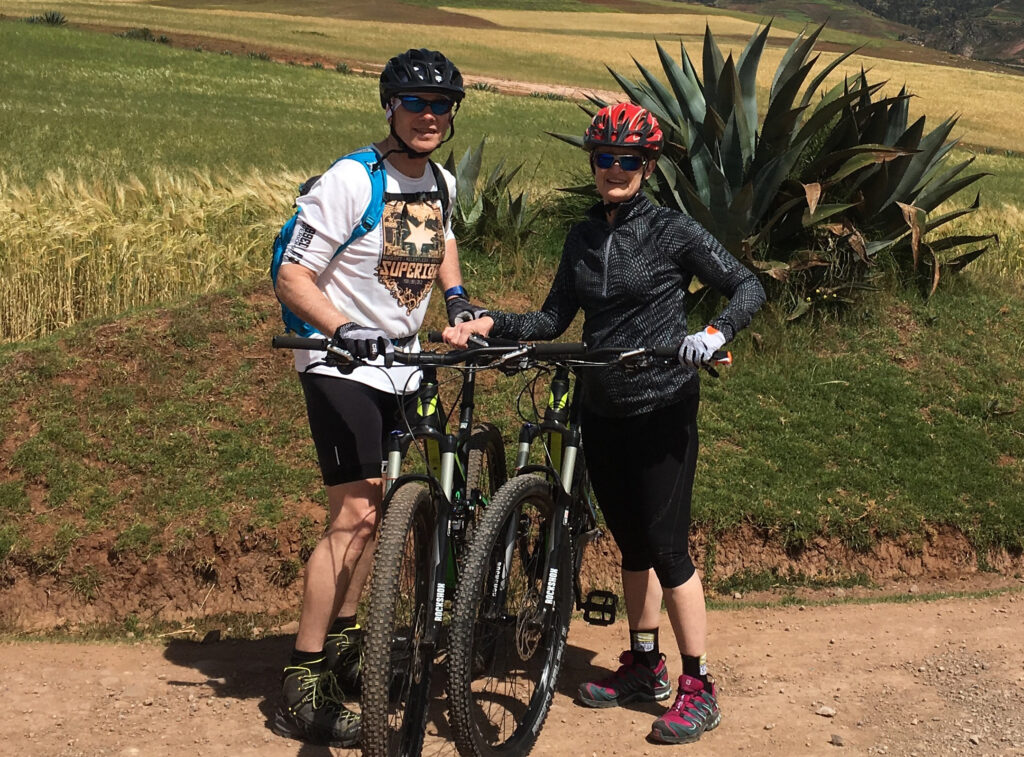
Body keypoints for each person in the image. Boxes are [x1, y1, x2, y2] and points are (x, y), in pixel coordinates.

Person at [444, 103, 765, 745]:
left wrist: (712, 332)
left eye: (628, 160)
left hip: (662, 404)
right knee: (632, 545)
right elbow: (553, 319)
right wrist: (492, 323)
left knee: (668, 548)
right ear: (593, 164)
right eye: (604, 158)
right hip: (602, 408)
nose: (614, 170)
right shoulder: (582, 235)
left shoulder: (673, 232)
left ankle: (699, 687)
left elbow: (747, 286)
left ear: (647, 168)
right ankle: (645, 665)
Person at [270, 48, 484, 747]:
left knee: (390, 511)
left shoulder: (441, 180)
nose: (429, 116)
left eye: (442, 105)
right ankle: (304, 680)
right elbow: (293, 276)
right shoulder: (349, 179)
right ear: (389, 106)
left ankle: (354, 648)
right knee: (357, 512)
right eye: (415, 103)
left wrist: (456, 299)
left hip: (404, 363)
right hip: (340, 364)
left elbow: (442, 240)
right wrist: (345, 328)